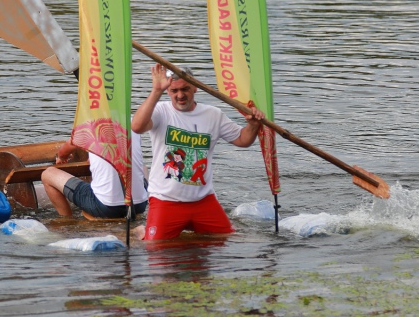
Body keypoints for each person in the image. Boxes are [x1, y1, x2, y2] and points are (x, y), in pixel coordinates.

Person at [131, 64, 264, 240]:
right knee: (157, 250)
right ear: (168, 91)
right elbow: (137, 127)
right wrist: (156, 90)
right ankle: (143, 230)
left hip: (203, 201)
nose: (180, 95)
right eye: (174, 90)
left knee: (226, 241)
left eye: (185, 89)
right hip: (165, 200)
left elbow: (243, 140)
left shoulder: (212, 115)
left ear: (195, 87)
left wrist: (254, 124)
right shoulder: (161, 111)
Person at [41, 132, 148, 219]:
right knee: (143, 167)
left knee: (47, 174)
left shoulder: (91, 124)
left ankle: (67, 219)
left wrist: (61, 158)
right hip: (139, 205)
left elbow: (63, 152)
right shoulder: (133, 122)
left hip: (106, 207)